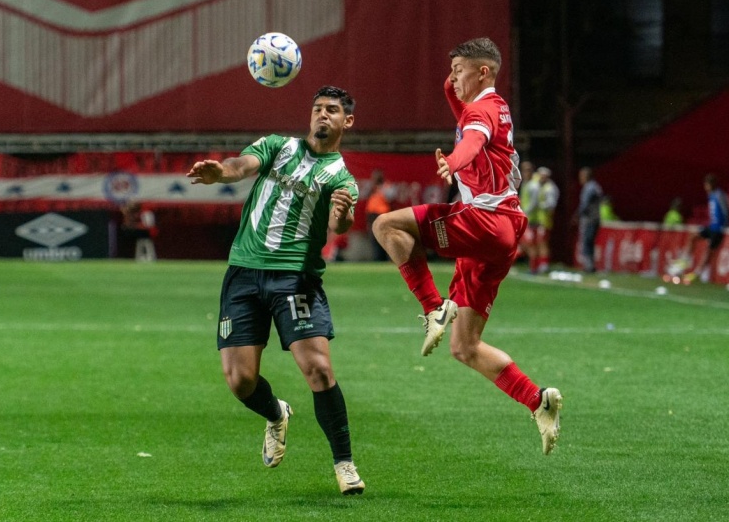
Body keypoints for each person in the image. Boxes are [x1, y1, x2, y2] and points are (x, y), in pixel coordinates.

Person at [371, 37, 563, 456]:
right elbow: (467, 118)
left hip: (485, 221)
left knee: (387, 226)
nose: (453, 77)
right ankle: (539, 400)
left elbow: (471, 140)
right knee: (464, 346)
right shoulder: (494, 107)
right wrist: (451, 81)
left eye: (460, 70)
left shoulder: (482, 111)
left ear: (484, 73)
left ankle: (431, 306)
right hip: (502, 234)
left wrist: (451, 163)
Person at [186, 86, 365, 495]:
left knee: (319, 370)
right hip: (244, 273)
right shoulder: (278, 146)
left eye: (332, 110)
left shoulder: (341, 178)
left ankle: (344, 463)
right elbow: (240, 165)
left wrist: (343, 212)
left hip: (294, 279)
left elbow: (341, 226)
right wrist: (220, 173)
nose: (322, 115)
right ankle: (276, 413)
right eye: (317, 108)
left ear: (346, 122)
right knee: (239, 381)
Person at [680, 173, 729, 284]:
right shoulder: (711, 195)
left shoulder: (719, 195)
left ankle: (697, 273)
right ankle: (686, 260)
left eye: (706, 184)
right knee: (693, 236)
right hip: (712, 226)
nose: (705, 187)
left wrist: (725, 225)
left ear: (710, 184)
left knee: (709, 251)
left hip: (718, 229)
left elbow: (726, 210)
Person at [576, 166, 603, 273]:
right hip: (595, 218)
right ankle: (591, 265)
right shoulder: (596, 186)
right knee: (590, 242)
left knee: (586, 241)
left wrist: (577, 215)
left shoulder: (589, 187)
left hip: (589, 219)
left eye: (582, 176)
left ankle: (588, 266)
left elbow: (584, 204)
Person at [364, 169, 393, 261]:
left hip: (382, 215)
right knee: (373, 238)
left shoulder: (386, 186)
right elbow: (365, 195)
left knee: (383, 237)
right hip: (372, 215)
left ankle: (385, 258)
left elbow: (390, 197)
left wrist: (381, 189)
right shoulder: (372, 188)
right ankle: (377, 259)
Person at [517, 161, 541, 273]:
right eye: (523, 170)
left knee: (531, 244)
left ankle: (534, 267)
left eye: (527, 170)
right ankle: (533, 265)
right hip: (525, 218)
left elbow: (534, 202)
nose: (525, 173)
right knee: (525, 243)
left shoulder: (534, 186)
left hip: (531, 219)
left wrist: (523, 212)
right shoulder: (525, 184)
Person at [535, 166, 559, 274]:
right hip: (539, 219)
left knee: (543, 243)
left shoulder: (550, 188)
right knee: (539, 242)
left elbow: (551, 204)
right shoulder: (541, 186)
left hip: (545, 220)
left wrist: (540, 205)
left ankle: (544, 264)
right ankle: (539, 263)